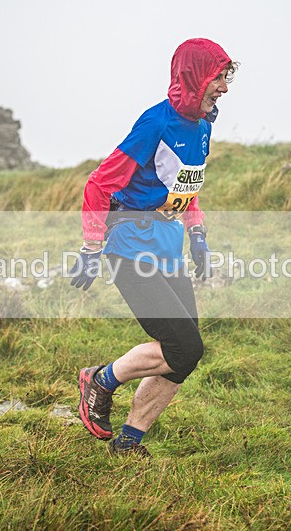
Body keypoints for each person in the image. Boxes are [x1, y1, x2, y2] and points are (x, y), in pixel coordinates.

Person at [69, 38, 237, 457]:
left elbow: (186, 187)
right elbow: (99, 184)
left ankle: (129, 443)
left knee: (184, 355)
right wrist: (91, 247)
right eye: (218, 77)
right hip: (130, 246)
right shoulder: (154, 124)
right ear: (195, 77)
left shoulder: (203, 126)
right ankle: (100, 380)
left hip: (168, 247)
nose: (224, 87)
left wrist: (197, 235)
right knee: (184, 346)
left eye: (226, 78)